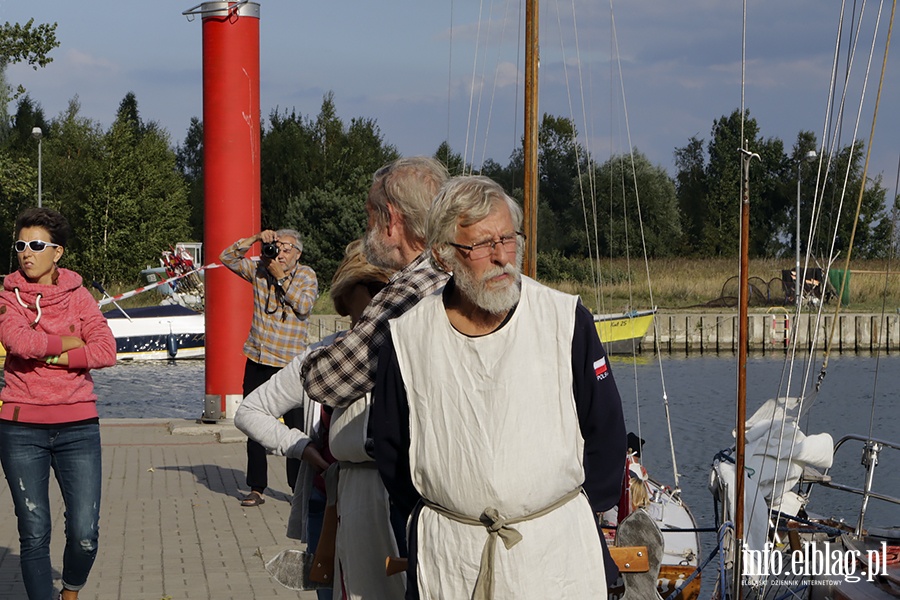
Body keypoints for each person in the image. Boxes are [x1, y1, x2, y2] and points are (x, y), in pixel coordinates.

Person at [371, 175, 627, 599]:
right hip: (452, 558)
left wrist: (568, 515)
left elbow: (606, 429)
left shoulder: (563, 320)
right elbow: (391, 447)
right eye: (481, 245)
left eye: (508, 239)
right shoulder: (407, 338)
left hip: (555, 556)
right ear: (444, 254)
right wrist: (443, 515)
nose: (501, 258)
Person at [235, 239, 400, 599]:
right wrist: (301, 447)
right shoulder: (322, 355)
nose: (381, 299)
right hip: (328, 506)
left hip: (396, 508)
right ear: (348, 295)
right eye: (372, 288)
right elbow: (248, 411)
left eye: (385, 288)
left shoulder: (409, 351)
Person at [0, 207, 118, 600]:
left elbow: (106, 350)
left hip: (78, 426)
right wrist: (70, 342)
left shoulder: (79, 296)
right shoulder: (7, 295)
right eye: (20, 245)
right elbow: (19, 342)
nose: (26, 253)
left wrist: (58, 354)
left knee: (85, 533)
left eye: (36, 245)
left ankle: (70, 591)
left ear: (58, 252)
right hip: (19, 427)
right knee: (33, 532)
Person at [300, 156, 449, 409]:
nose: (367, 226)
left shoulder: (411, 291)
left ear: (390, 219)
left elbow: (324, 381)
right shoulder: (458, 271)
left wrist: (334, 349)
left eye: (369, 214)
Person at [220, 228, 318, 507]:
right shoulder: (259, 269)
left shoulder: (306, 275)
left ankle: (298, 488)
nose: (281, 253)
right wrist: (254, 239)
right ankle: (256, 487)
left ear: (298, 253)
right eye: (278, 247)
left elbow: (304, 305)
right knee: (253, 423)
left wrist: (282, 277)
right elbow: (226, 257)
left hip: (290, 364)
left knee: (296, 428)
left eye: (287, 249)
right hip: (259, 359)